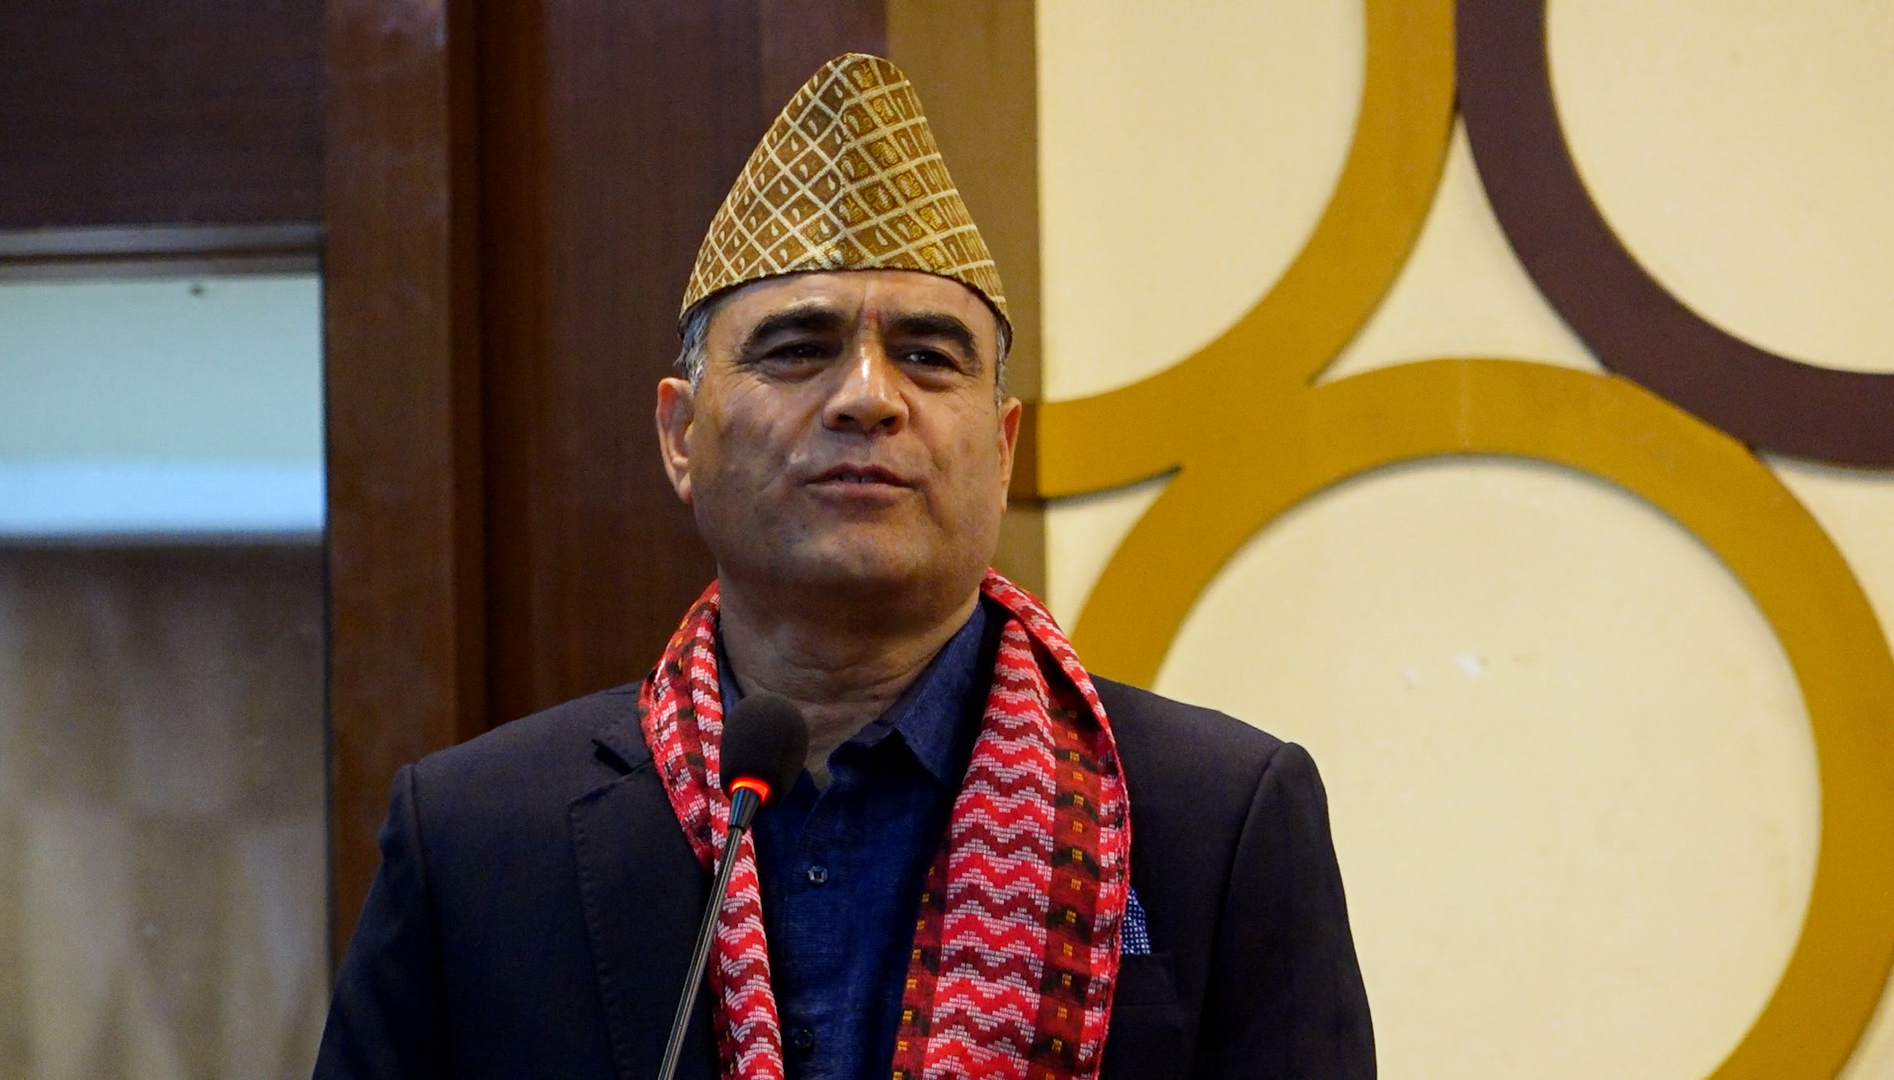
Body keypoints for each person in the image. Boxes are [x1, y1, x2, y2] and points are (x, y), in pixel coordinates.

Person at [315, 53, 1373, 1080]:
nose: (868, 396)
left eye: (927, 356)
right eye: (797, 350)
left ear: (1002, 448)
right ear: (681, 436)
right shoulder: (478, 838)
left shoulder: (1216, 819)